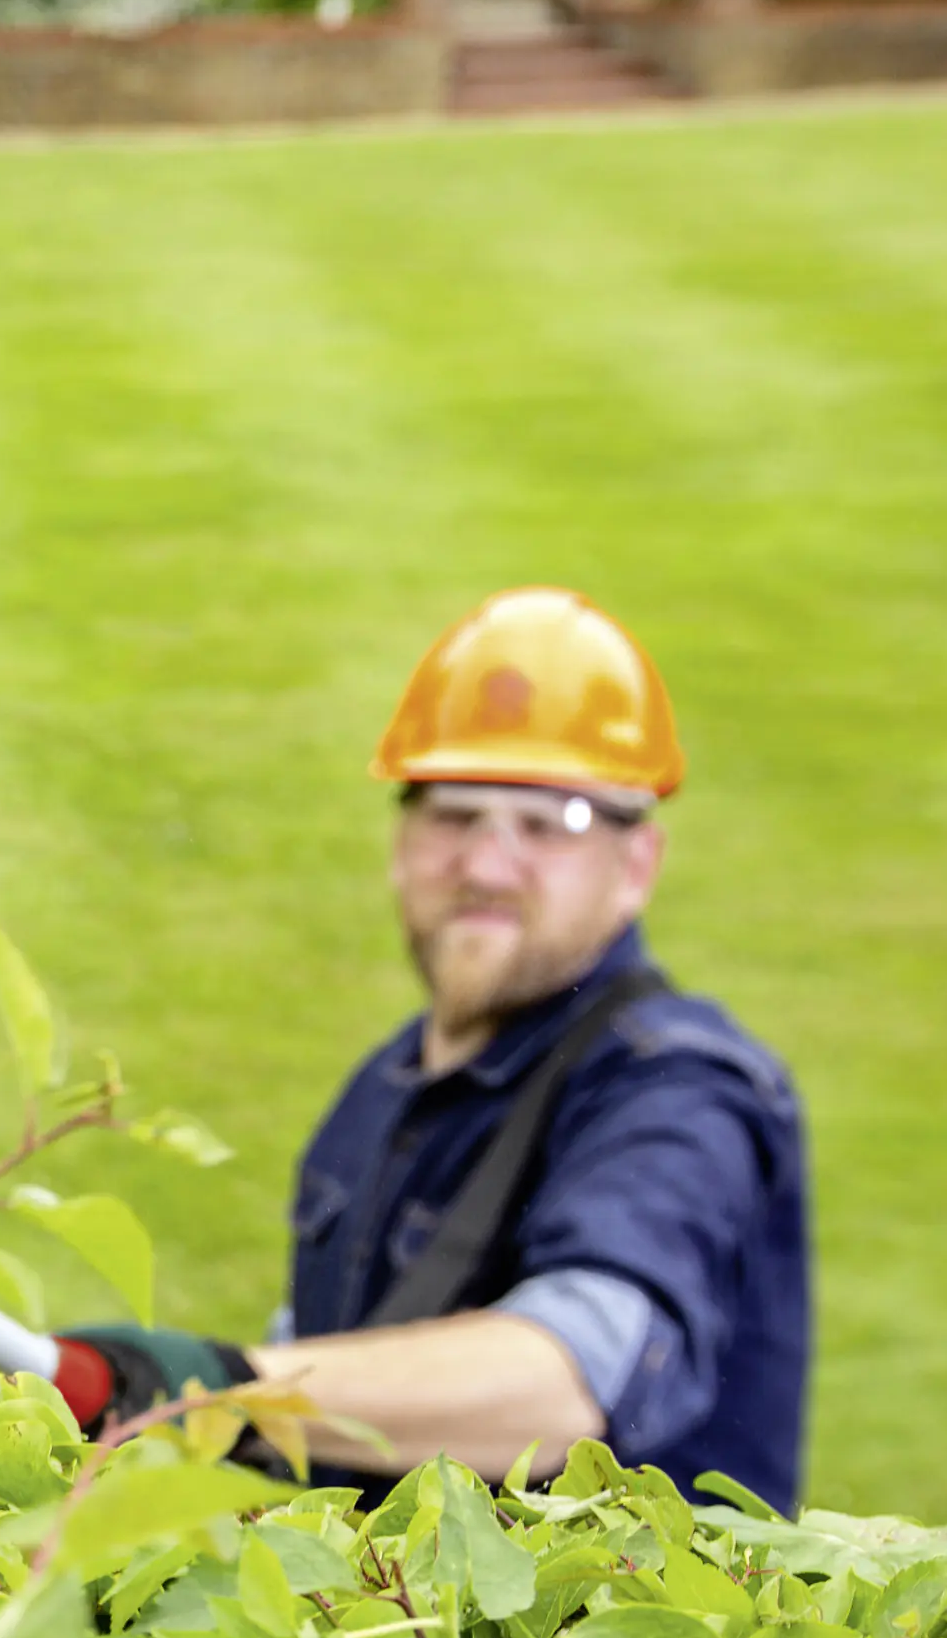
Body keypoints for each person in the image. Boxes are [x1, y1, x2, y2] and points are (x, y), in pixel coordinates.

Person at [53, 590, 813, 1512]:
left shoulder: (680, 1093)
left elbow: (568, 1384)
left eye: (551, 824)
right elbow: (331, 1376)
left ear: (638, 866)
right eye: (456, 813)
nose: (488, 866)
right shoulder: (384, 1089)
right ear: (400, 842)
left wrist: (224, 1394)